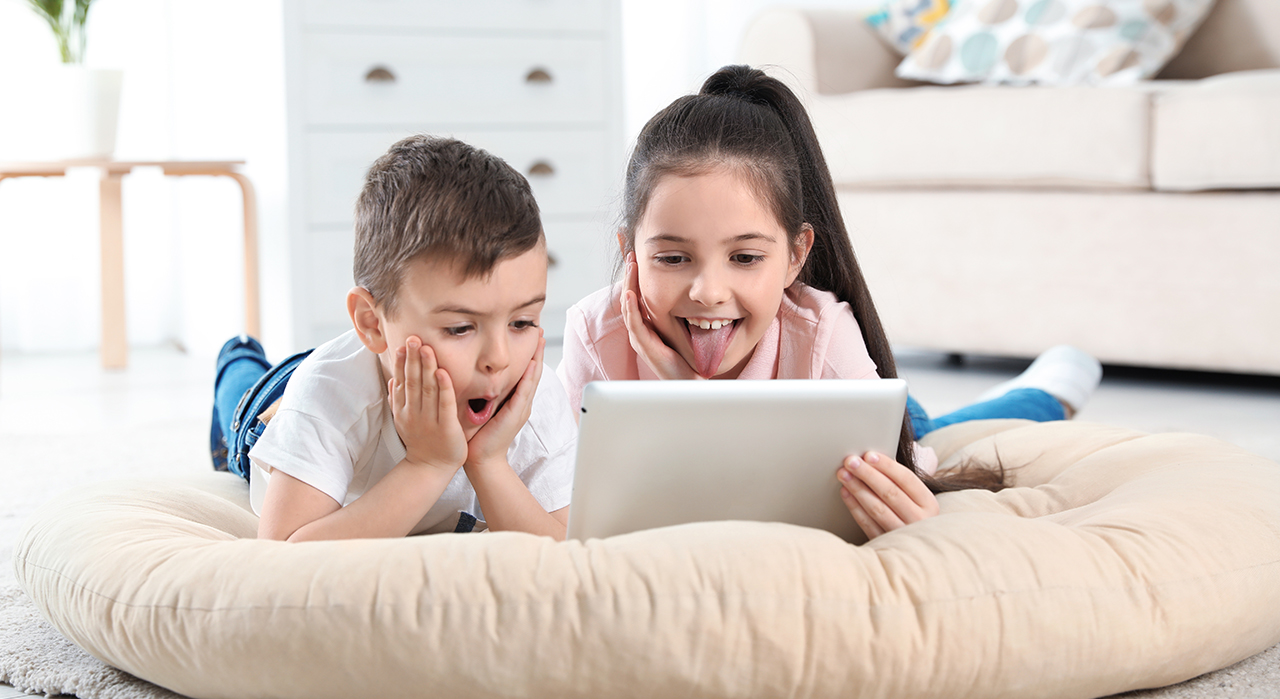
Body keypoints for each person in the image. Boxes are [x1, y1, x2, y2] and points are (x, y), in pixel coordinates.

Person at [556, 65, 1101, 540]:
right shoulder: (592, 332)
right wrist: (685, 399)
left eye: (745, 258)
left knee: (933, 430)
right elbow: (568, 494)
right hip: (842, 402)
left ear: (795, 257)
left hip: (849, 395)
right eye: (672, 259)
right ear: (630, 252)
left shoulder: (823, 336)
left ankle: (1046, 387)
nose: (708, 291)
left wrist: (920, 515)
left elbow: (894, 490)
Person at [211, 135, 577, 542]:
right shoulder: (329, 396)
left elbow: (565, 551)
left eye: (523, 322)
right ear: (372, 322)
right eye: (460, 328)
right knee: (242, 402)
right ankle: (237, 354)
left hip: (375, 359)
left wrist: (488, 461)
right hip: (281, 399)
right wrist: (428, 464)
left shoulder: (534, 395)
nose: (499, 358)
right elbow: (285, 554)